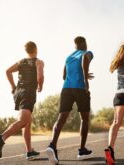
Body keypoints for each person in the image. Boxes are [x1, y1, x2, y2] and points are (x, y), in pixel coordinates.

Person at [0, 41, 44, 160]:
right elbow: (40, 76)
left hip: (18, 93)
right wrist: (40, 86)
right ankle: (2, 138)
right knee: (23, 121)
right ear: (36, 49)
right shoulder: (38, 62)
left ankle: (29, 151)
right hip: (28, 92)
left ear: (26, 51)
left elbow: (8, 71)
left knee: (27, 121)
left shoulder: (21, 62)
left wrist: (13, 87)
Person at [46, 36, 94, 164]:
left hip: (66, 88)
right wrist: (85, 80)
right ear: (84, 43)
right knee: (84, 118)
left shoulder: (68, 57)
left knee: (61, 118)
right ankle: (82, 150)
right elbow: (84, 59)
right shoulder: (87, 53)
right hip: (79, 88)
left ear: (75, 45)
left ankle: (52, 145)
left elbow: (64, 76)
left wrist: (80, 74)